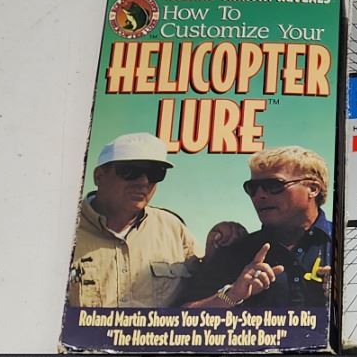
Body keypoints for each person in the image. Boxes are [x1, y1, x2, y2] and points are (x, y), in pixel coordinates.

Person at [174, 146, 333, 311]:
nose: (260, 195)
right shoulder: (235, 252)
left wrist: (347, 293)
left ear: (313, 189)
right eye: (252, 188)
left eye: (273, 185)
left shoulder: (346, 245)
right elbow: (181, 317)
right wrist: (232, 295)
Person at [67, 132, 198, 307]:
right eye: (130, 171)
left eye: (155, 173)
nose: (143, 181)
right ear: (99, 176)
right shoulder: (63, 230)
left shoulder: (173, 229)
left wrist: (222, 243)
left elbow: (209, 280)